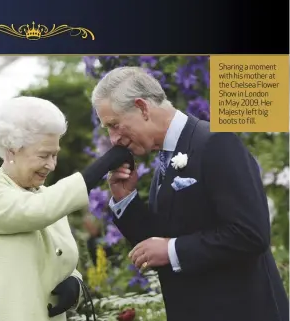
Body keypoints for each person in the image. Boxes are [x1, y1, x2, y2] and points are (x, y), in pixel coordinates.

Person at [91, 66, 289, 321]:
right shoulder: (165, 156)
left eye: (115, 125)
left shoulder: (215, 141)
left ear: (142, 107)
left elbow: (250, 233)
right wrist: (124, 199)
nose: (113, 138)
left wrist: (173, 250)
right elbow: (157, 244)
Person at [0, 96, 134, 321]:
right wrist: (100, 167)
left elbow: (59, 257)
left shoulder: (48, 197)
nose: (52, 164)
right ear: (11, 150)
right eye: (43, 155)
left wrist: (75, 283)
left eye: (55, 154)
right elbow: (33, 212)